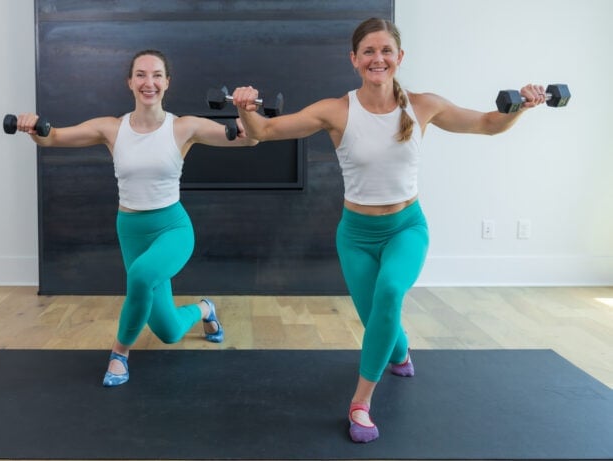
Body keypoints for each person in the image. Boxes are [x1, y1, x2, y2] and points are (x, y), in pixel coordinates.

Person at [231, 18, 547, 443]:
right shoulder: (335, 110)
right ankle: (399, 352)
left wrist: (519, 108)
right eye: (368, 51)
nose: (377, 58)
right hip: (355, 236)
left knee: (390, 294)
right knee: (376, 317)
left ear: (399, 58)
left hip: (406, 228)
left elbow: (488, 123)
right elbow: (265, 131)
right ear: (354, 60)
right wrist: (245, 109)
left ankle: (361, 401)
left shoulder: (422, 106)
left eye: (385, 51)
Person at [15, 49, 258, 387]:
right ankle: (205, 309)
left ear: (167, 82)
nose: (149, 82)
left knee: (141, 276)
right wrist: (31, 127)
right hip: (131, 231)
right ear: (130, 82)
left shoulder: (184, 127)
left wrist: (244, 111)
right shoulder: (111, 129)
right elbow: (52, 137)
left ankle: (119, 354)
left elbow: (250, 140)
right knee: (169, 331)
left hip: (173, 228)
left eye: (157, 75)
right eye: (141, 75)